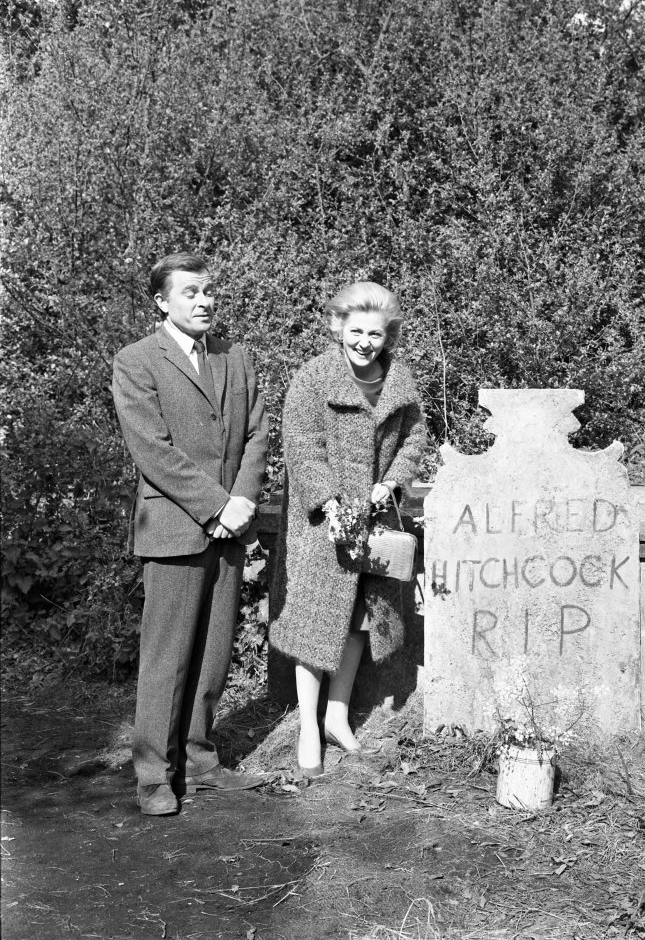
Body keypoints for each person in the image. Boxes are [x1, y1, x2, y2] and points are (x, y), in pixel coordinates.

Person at [112, 252, 269, 815]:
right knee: (167, 658)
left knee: (212, 654)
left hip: (229, 529)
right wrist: (217, 505)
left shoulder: (236, 357)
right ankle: (154, 776)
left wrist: (243, 499)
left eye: (208, 292)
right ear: (162, 301)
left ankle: (200, 763)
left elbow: (257, 432)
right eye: (190, 293)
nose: (204, 302)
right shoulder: (136, 362)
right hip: (176, 529)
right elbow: (152, 450)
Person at [269, 281, 427, 774]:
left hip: (374, 521)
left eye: (375, 334)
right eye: (355, 330)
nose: (364, 342)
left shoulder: (399, 379)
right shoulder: (313, 378)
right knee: (316, 621)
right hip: (323, 522)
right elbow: (300, 443)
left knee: (361, 617)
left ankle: (338, 716)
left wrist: (395, 481)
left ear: (389, 335)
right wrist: (329, 500)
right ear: (338, 327)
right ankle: (309, 727)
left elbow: (416, 437)